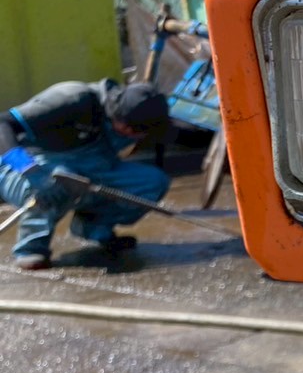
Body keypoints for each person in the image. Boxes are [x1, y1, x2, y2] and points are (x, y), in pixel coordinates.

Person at [0, 80, 173, 270]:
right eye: (130, 128)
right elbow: (3, 123)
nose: (132, 134)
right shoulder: (72, 99)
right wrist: (30, 171)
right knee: (62, 179)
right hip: (25, 166)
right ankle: (31, 247)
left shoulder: (142, 119)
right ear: (117, 111)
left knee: (152, 182)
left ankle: (93, 227)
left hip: (90, 165)